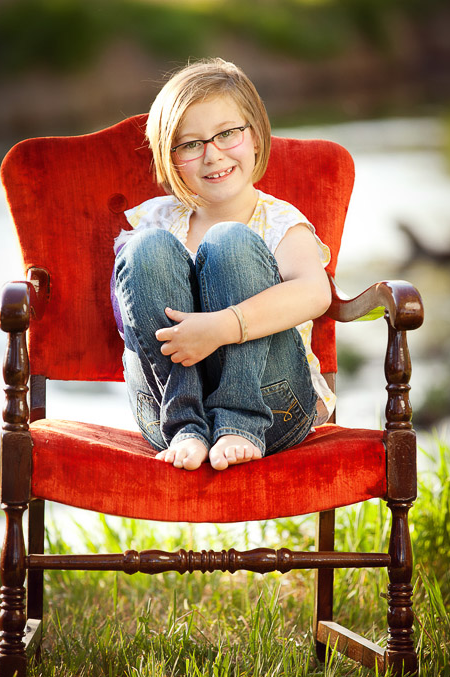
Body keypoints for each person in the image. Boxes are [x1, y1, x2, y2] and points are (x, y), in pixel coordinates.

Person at [111, 58, 335, 472]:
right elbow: (130, 315)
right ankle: (189, 427)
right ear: (170, 157)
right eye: (191, 144)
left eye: (227, 134)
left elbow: (315, 292)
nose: (212, 155)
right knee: (143, 249)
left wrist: (220, 327)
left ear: (254, 137)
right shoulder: (156, 222)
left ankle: (239, 420)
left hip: (273, 404)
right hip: (169, 410)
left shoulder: (281, 221)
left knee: (228, 240)